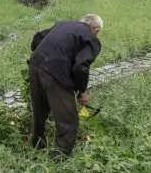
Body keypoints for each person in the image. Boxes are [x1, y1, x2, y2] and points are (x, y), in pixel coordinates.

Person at [27, 14, 103, 160]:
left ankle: (37, 144)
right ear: (96, 29)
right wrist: (82, 91)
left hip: (35, 64)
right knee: (68, 120)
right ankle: (59, 158)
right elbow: (80, 67)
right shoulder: (92, 38)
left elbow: (36, 39)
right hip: (55, 72)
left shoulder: (62, 24)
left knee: (40, 109)